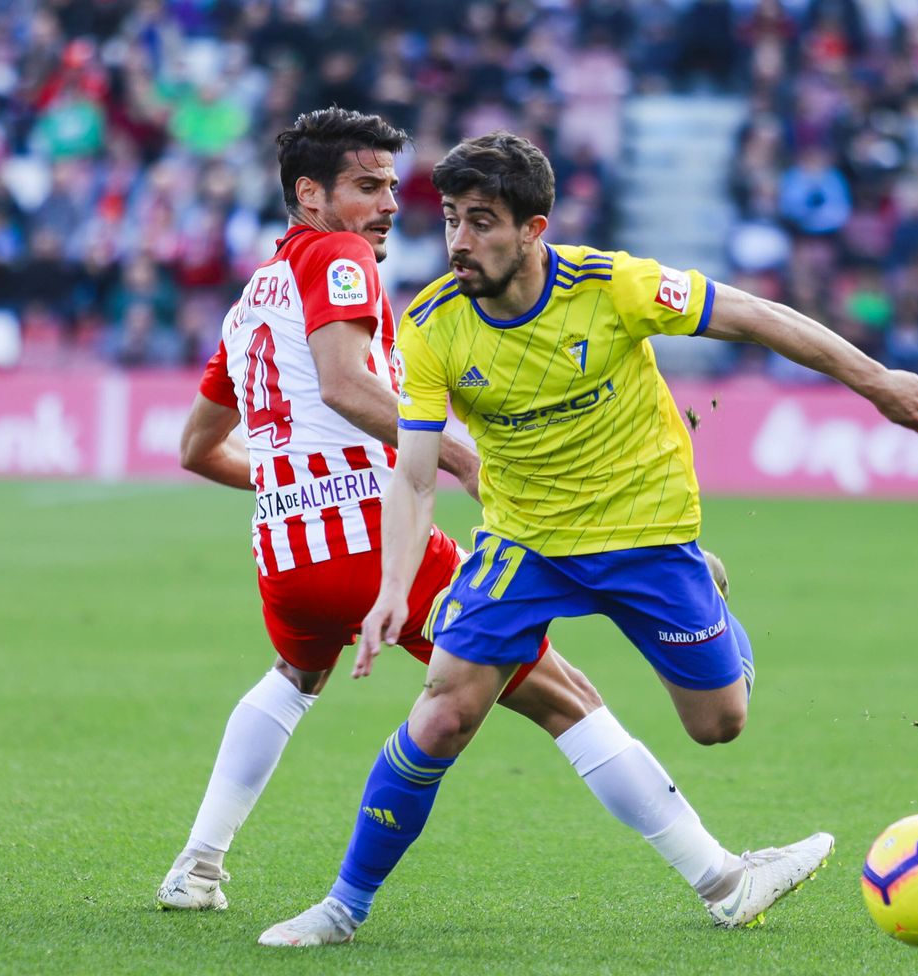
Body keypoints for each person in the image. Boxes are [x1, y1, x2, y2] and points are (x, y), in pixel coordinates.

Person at [157, 109, 826, 933]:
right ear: (311, 194)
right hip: (369, 536)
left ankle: (198, 862)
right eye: (368, 186)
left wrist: (293, 486)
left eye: (391, 187)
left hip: (286, 553)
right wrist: (461, 458)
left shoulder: (253, 297)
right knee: (560, 698)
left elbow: (196, 448)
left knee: (294, 680)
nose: (388, 206)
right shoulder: (338, 256)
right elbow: (343, 384)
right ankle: (722, 878)